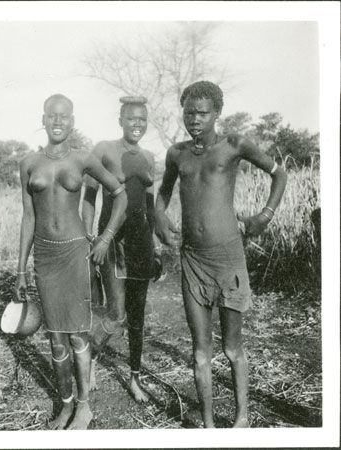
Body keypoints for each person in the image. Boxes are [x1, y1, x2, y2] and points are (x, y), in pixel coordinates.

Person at [155, 81, 287, 428]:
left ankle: (241, 420)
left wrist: (265, 216)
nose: (195, 119)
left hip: (228, 257)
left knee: (232, 348)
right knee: (201, 352)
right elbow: (161, 196)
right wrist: (160, 222)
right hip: (192, 260)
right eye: (189, 112)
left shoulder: (234, 145)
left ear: (217, 113)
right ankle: (210, 427)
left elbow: (280, 173)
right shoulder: (177, 154)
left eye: (202, 113)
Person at [14, 94, 127, 430]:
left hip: (76, 254)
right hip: (45, 258)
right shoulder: (29, 163)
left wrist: (104, 238)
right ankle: (65, 406)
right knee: (55, 338)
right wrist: (21, 268)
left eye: (64, 116)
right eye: (52, 116)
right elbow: (28, 218)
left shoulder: (83, 159)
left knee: (78, 336)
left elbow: (118, 194)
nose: (58, 122)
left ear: (72, 120)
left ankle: (84, 407)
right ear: (44, 119)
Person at [82, 96, 162, 402]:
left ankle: (134, 379)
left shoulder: (150, 158)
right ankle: (88, 358)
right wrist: (91, 236)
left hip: (141, 243)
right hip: (111, 242)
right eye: (131, 119)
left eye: (142, 119)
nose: (137, 124)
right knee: (115, 315)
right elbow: (89, 195)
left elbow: (151, 206)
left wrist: (155, 247)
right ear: (120, 120)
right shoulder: (104, 149)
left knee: (138, 318)